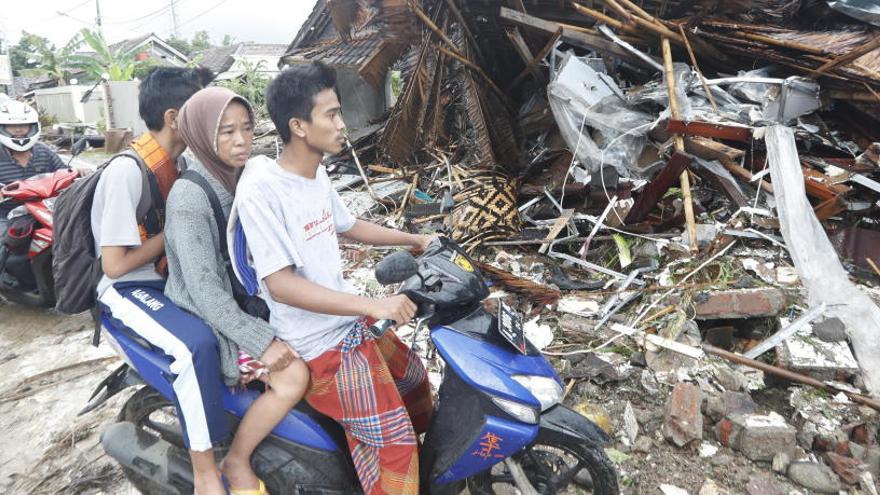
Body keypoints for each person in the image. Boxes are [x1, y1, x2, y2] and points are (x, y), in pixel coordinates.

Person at [233, 61, 434, 495]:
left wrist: (415, 239)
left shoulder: (316, 173)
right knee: (397, 446)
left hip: (348, 325)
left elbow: (348, 225)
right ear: (298, 126)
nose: (343, 124)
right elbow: (281, 284)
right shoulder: (263, 190)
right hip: (319, 346)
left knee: (416, 381)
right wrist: (372, 304)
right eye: (332, 115)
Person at [89, 67, 233, 495]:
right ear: (175, 117)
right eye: (202, 111)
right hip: (130, 288)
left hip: (170, 276)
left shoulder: (183, 162)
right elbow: (114, 265)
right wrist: (174, 232)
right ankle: (207, 474)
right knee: (197, 347)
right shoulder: (127, 172)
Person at [164, 86, 309, 495]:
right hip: (210, 309)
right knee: (293, 376)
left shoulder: (243, 174)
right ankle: (237, 459)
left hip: (246, 296)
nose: (242, 140)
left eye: (246, 128)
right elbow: (205, 291)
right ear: (200, 136)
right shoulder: (189, 198)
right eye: (226, 133)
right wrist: (261, 342)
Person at [0, 97, 66, 232]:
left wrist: (80, 172)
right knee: (5, 242)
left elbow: (64, 173)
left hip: (44, 211)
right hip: (6, 216)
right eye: (12, 126)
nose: (18, 130)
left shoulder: (43, 151)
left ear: (33, 127)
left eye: (23, 125)